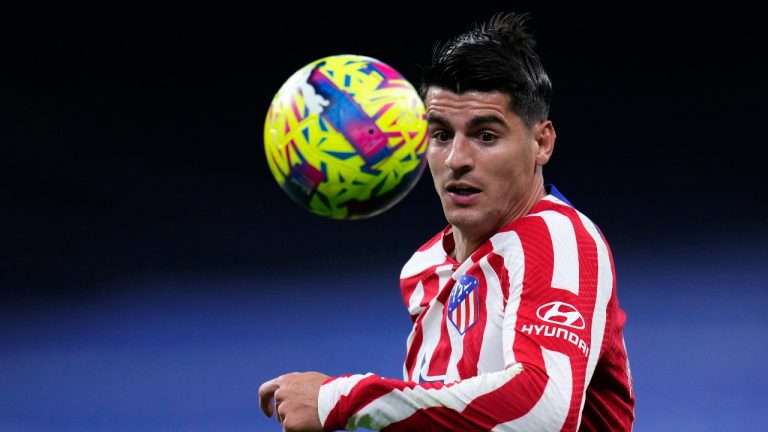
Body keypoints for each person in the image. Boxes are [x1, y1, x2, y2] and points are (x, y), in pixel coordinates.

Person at [259, 11, 635, 431]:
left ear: (542, 142)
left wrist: (341, 399)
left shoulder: (558, 238)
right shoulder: (425, 267)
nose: (457, 159)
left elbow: (543, 412)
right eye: (440, 135)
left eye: (486, 135)